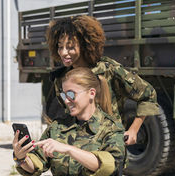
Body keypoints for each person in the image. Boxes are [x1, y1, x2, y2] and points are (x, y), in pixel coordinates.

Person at [9, 67, 125, 176]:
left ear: (91, 93)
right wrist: (22, 158)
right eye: (64, 96)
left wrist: (69, 149)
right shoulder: (58, 127)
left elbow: (109, 165)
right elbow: (37, 163)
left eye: (71, 94)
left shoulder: (111, 128)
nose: (67, 101)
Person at [45, 15, 159, 145]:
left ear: (84, 45)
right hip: (78, 151)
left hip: (109, 148)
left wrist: (133, 130)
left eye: (70, 47)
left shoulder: (108, 70)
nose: (64, 53)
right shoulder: (61, 78)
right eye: (60, 47)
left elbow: (148, 94)